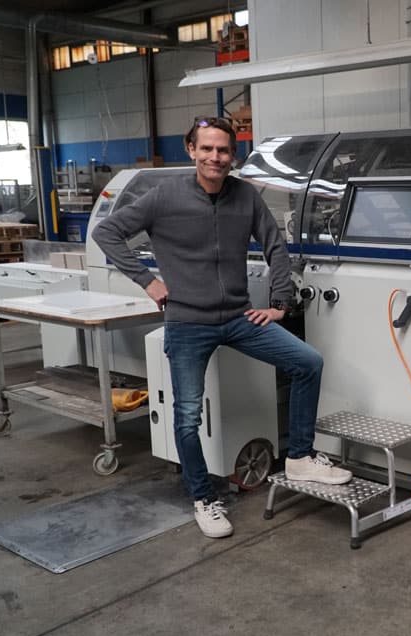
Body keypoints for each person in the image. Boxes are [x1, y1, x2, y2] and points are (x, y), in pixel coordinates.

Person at [92, 116, 351, 539]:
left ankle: (300, 458)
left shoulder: (245, 196)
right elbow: (107, 232)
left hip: (238, 318)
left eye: (224, 150)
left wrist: (279, 303)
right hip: (187, 323)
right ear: (191, 150)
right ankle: (203, 497)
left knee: (308, 362)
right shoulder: (163, 197)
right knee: (187, 416)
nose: (215, 157)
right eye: (207, 148)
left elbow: (275, 246)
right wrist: (147, 280)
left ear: (234, 155)